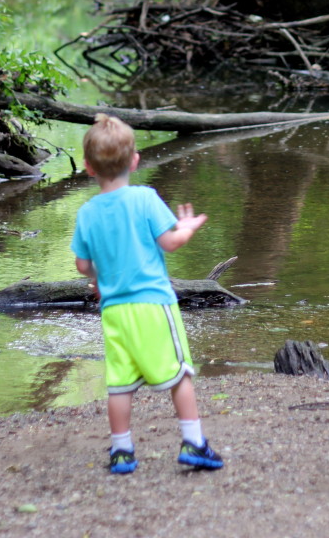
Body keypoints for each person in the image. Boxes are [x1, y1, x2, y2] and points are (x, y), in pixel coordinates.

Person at [70, 113, 224, 474]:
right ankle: (194, 443)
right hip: (153, 304)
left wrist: (97, 279)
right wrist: (186, 228)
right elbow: (169, 243)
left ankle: (122, 451)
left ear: (89, 167)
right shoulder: (145, 198)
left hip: (114, 312)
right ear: (136, 161)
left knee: (120, 384)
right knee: (179, 373)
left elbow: (82, 266)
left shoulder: (87, 212)